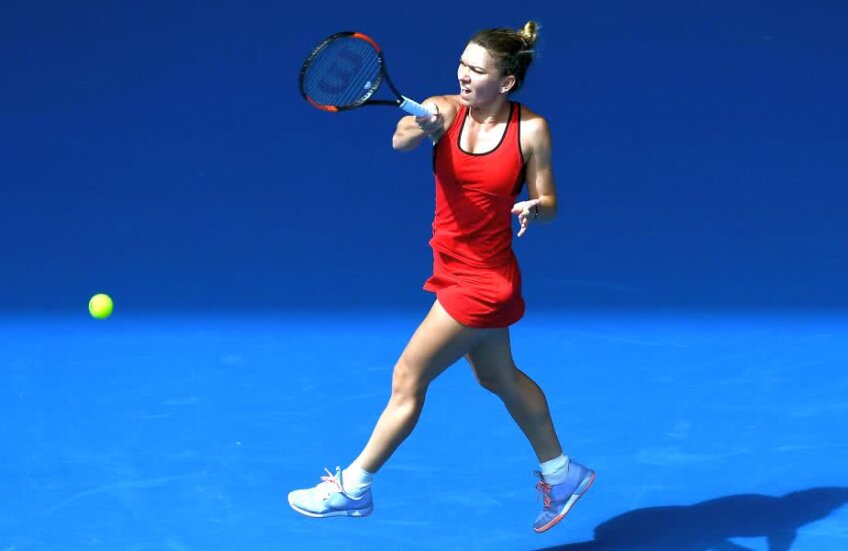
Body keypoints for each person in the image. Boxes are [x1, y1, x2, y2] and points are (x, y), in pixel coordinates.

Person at [288, 21, 594, 533]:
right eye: (462, 64)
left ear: (507, 83)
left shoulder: (531, 130)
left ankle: (354, 488)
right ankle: (562, 474)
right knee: (498, 376)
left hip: (482, 282)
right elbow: (399, 141)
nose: (464, 75)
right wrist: (424, 126)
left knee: (408, 379)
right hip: (450, 267)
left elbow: (551, 202)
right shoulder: (445, 108)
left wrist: (533, 210)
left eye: (477, 69)